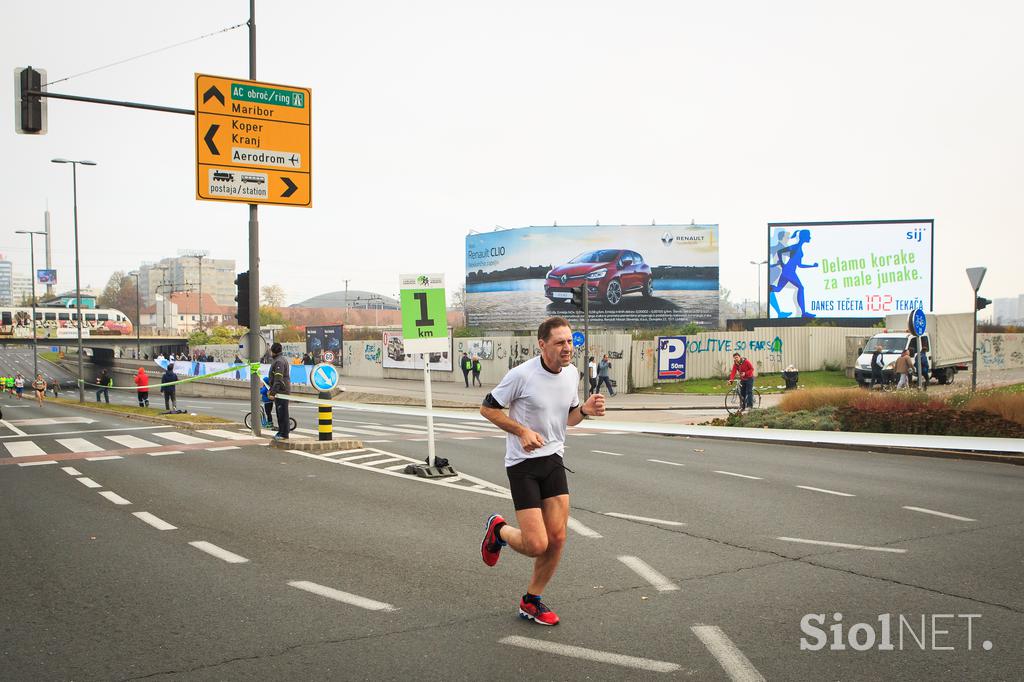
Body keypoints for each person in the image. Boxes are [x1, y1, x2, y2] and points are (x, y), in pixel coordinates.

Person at [478, 317, 606, 626]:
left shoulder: (571, 374)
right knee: (537, 544)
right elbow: (487, 408)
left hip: (553, 460)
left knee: (558, 538)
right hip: (523, 464)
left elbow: (568, 420)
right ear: (542, 344)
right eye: (560, 342)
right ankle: (499, 531)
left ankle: (531, 600)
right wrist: (521, 431)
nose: (567, 347)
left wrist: (585, 410)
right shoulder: (521, 375)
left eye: (570, 341)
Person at [268, 342, 291, 441]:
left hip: (282, 391)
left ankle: (283, 433)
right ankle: (282, 431)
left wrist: (273, 393)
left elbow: (278, 379)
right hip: (280, 391)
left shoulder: (279, 362)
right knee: (280, 412)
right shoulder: (280, 360)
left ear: (272, 351)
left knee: (282, 413)